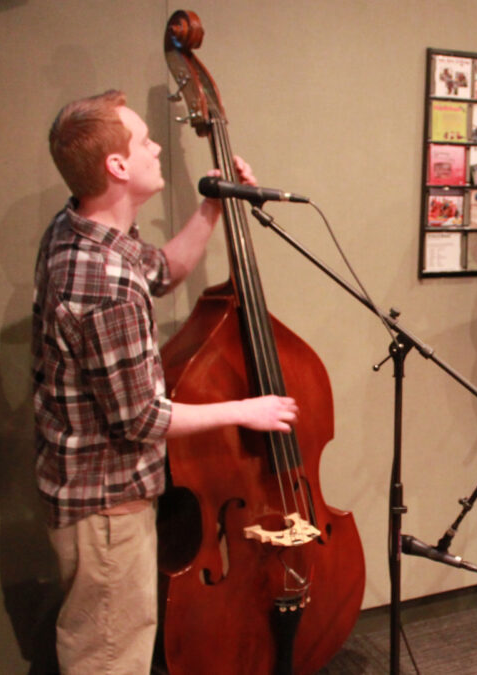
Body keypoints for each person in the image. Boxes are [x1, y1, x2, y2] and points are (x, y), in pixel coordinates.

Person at [34, 89, 299, 674]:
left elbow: (159, 271)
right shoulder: (102, 281)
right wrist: (244, 410)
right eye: (145, 140)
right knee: (109, 656)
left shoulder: (83, 227)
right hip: (106, 506)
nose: (157, 147)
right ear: (117, 167)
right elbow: (143, 418)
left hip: (96, 496)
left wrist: (212, 208)